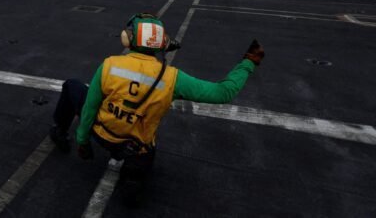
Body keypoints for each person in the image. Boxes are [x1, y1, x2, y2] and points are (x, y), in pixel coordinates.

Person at [49, 12, 264, 207]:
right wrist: (248, 63)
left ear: (129, 38)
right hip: (136, 147)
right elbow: (222, 92)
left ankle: (59, 132)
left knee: (72, 86)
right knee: (139, 173)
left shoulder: (110, 65)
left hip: (103, 133)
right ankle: (132, 178)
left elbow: (89, 109)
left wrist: (83, 142)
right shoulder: (173, 78)